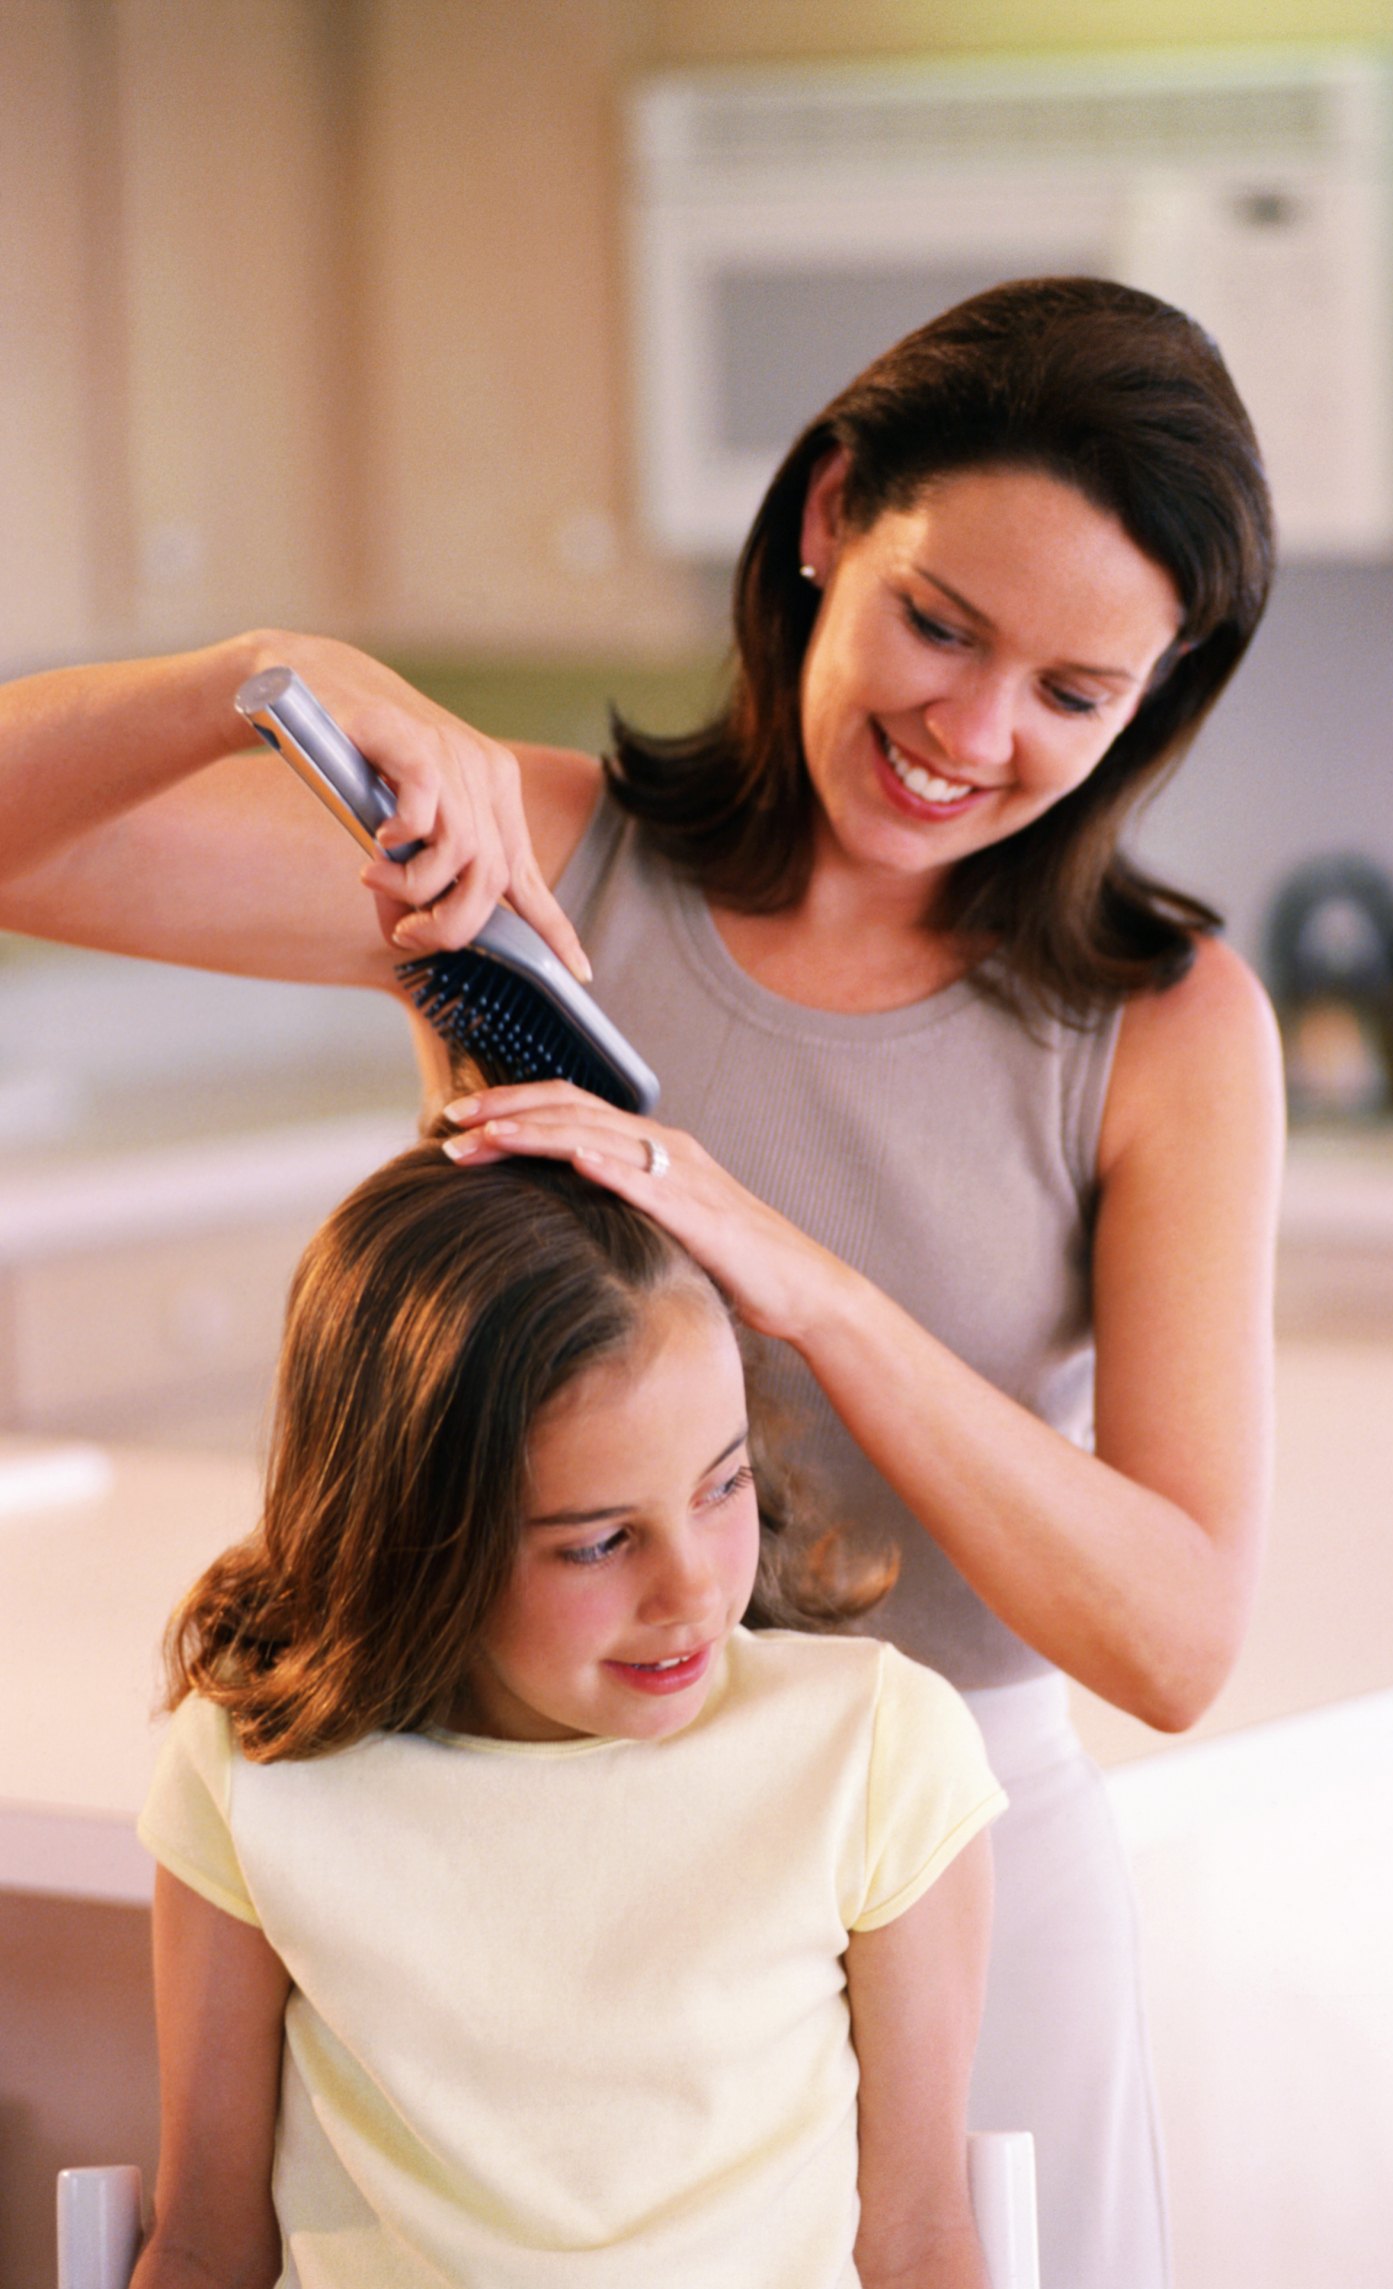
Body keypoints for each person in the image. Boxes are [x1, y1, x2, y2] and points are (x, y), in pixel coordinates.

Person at [1, 277, 1285, 2287]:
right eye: (939, 622)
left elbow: (1173, 1638)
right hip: (525, 1886)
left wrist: (802, 1282)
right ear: (826, 514)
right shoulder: (523, 861)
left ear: (1157, 698)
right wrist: (266, 671)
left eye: (1071, 690)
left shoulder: (1166, 1024)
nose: (970, 731)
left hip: (939, 1861)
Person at [131, 1145, 1004, 2289]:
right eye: (599, 1540)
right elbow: (204, 2241)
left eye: (723, 1484)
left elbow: (918, 2240)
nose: (691, 1588)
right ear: (416, 1537)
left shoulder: (875, 1753)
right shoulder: (252, 1778)